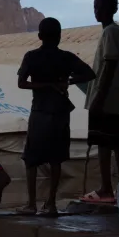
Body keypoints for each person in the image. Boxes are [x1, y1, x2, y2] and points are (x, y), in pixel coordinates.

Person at [16, 17, 96, 216]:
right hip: (60, 112)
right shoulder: (66, 57)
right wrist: (66, 81)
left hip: (40, 112)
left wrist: (44, 85)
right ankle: (50, 204)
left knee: (32, 159)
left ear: (40, 36)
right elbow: (90, 74)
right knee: (56, 159)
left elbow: (22, 83)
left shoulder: (31, 56)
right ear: (59, 37)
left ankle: (31, 204)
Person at [82, 0, 119, 204]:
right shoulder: (112, 32)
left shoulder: (111, 31)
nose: (96, 11)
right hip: (113, 100)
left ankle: (106, 189)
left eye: (100, 7)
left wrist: (99, 97)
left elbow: (109, 65)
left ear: (113, 9)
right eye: (95, 7)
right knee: (117, 143)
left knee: (104, 143)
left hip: (107, 99)